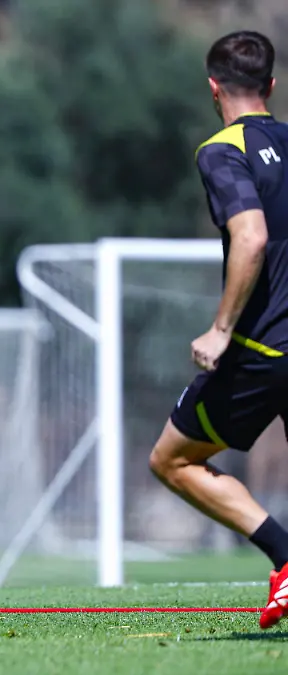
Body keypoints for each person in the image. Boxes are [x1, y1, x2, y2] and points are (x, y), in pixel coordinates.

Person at [147, 30, 288, 630]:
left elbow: (250, 236)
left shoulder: (221, 150)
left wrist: (222, 329)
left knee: (172, 459)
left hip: (265, 346)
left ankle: (285, 559)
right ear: (271, 86)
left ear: (213, 88)